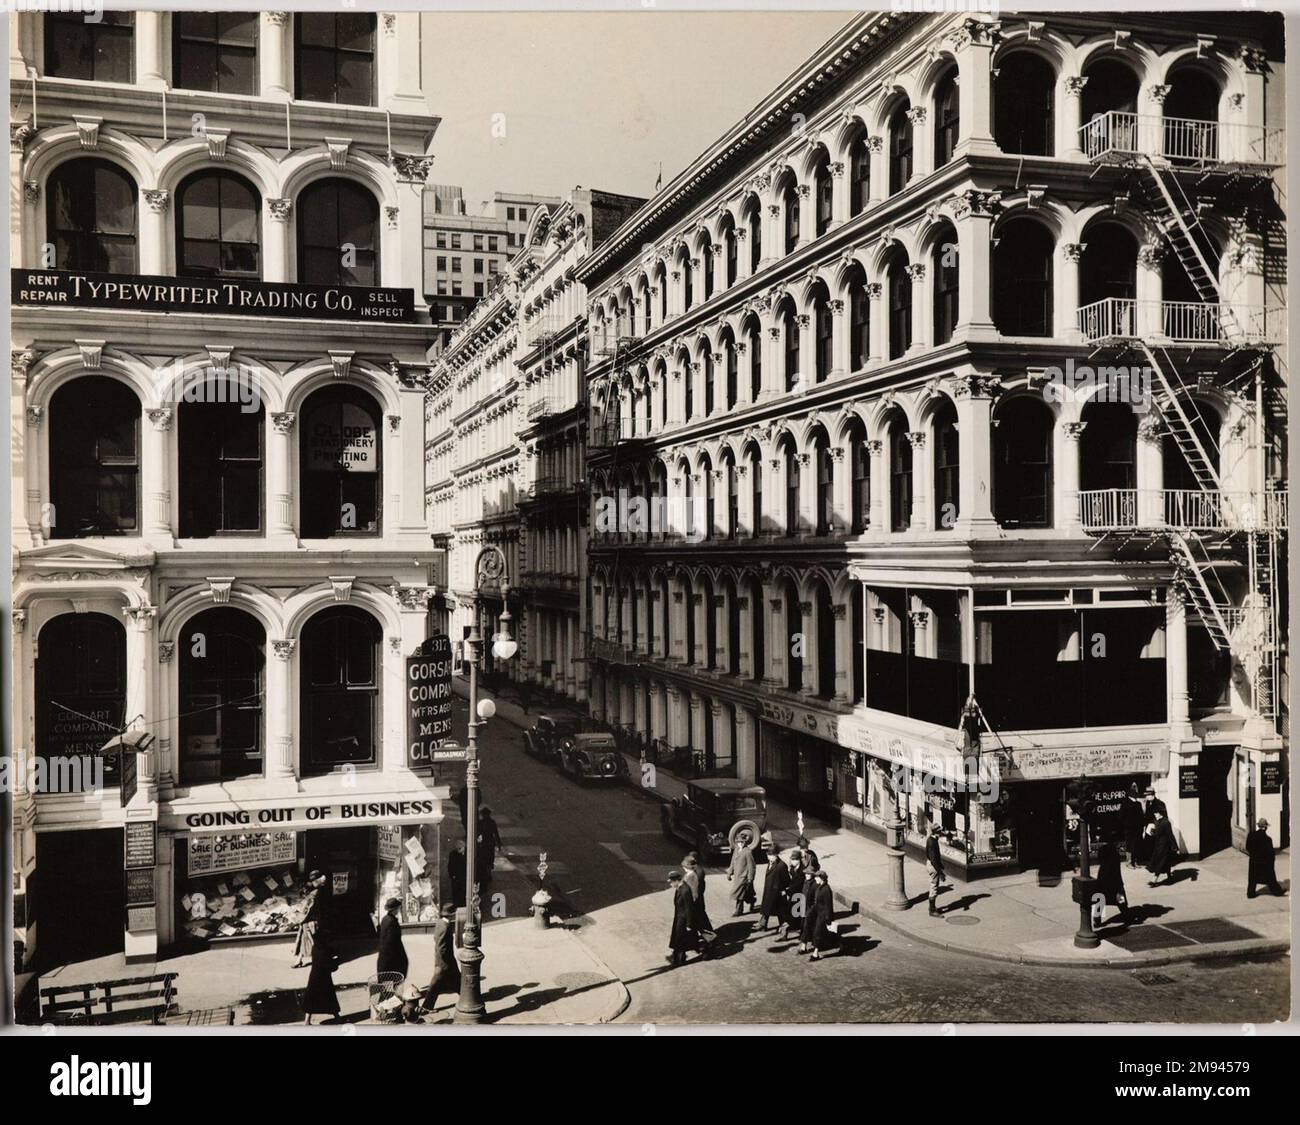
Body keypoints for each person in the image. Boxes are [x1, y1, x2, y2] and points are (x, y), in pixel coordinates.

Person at [421, 903, 462, 1018]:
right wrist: (444, 962)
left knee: (457, 979)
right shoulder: (446, 926)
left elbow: (436, 939)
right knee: (436, 984)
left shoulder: (440, 922)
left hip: (444, 960)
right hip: (445, 961)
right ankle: (426, 1007)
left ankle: (465, 997)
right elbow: (442, 947)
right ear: (452, 915)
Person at [302, 930, 341, 1025]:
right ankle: (337, 1017)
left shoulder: (315, 948)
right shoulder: (327, 950)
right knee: (329, 997)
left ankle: (307, 1020)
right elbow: (332, 966)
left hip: (314, 977)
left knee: (311, 998)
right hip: (325, 978)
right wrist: (336, 961)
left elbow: (314, 942)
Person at [293, 870, 327, 968]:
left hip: (311, 919)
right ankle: (300, 959)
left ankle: (316, 959)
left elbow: (308, 908)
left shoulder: (315, 893)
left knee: (310, 940)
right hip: (317, 918)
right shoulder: (323, 889)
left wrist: (300, 918)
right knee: (307, 939)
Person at [681, 855, 716, 950]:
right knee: (697, 924)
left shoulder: (692, 876)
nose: (683, 868)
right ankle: (695, 943)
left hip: (693, 905)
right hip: (693, 904)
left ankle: (710, 941)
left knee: (698, 924)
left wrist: (690, 904)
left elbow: (694, 893)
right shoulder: (690, 874)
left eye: (684, 867)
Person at [1246, 818, 1285, 898]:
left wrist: (1253, 855)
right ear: (1265, 827)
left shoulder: (1251, 835)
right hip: (1264, 862)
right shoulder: (1267, 839)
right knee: (1271, 878)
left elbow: (1247, 847)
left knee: (1252, 878)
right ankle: (1278, 892)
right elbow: (1270, 853)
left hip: (1254, 861)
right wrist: (1271, 862)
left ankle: (1250, 893)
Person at [756, 848, 790, 933]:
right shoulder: (770, 863)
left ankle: (783, 929)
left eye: (772, 855)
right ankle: (763, 925)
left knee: (779, 912)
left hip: (777, 893)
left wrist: (781, 889)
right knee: (767, 909)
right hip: (769, 891)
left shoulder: (782, 865)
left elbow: (786, 880)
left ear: (776, 855)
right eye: (769, 855)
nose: (770, 857)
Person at [666, 869, 696, 967]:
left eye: (671, 882)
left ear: (676, 880)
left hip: (683, 919)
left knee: (679, 939)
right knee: (679, 939)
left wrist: (689, 924)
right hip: (679, 917)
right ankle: (679, 958)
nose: (670, 884)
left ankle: (677, 960)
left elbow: (689, 908)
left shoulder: (685, 890)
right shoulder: (680, 888)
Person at [1095, 842, 1129, 926]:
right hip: (1115, 880)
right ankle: (1126, 914)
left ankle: (1097, 918)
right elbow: (1117, 870)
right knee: (1120, 898)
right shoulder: (1115, 854)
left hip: (1103, 878)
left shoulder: (1103, 850)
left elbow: (1100, 860)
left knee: (1100, 898)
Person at [376, 897, 408, 979]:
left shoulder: (385, 919)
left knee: (387, 974)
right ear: (395, 909)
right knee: (397, 970)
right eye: (398, 908)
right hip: (391, 952)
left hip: (384, 952)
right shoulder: (392, 921)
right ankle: (395, 989)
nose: (398, 910)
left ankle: (390, 988)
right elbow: (392, 939)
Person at [1145, 808, 1178, 887]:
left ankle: (1154, 879)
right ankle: (1169, 876)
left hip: (1165, 846)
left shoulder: (1166, 822)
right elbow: (1157, 832)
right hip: (1158, 845)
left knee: (1160, 862)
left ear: (1161, 813)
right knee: (1165, 862)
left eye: (1156, 813)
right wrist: (1152, 832)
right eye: (1154, 813)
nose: (1155, 814)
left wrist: (1175, 846)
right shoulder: (1156, 821)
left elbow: (1170, 835)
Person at [727, 833, 757, 917]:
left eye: (742, 842)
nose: (740, 844)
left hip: (744, 877)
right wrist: (729, 872)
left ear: (745, 842)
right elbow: (733, 862)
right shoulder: (736, 850)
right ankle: (752, 900)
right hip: (737, 876)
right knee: (745, 894)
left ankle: (738, 910)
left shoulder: (747, 852)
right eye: (738, 842)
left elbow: (752, 866)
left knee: (738, 894)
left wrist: (750, 878)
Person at [809, 870, 836, 960]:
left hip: (823, 916)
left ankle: (815, 953)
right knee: (826, 933)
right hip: (818, 914)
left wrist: (828, 919)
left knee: (818, 933)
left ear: (822, 878)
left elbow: (829, 905)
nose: (815, 878)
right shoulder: (820, 887)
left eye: (817, 877)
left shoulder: (826, 889)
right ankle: (840, 942)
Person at [477, 807, 503, 897]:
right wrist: (499, 844)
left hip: (484, 844)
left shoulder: (480, 823)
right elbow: (496, 834)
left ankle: (487, 873)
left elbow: (477, 833)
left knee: (485, 859)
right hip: (490, 844)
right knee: (489, 859)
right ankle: (488, 874)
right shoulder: (492, 822)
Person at [795, 857, 819, 953]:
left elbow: (815, 899)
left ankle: (803, 946)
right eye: (806, 874)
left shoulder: (815, 885)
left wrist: (811, 909)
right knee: (806, 927)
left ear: (812, 875)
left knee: (807, 926)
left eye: (808, 874)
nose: (806, 875)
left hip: (810, 910)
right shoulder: (805, 882)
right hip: (803, 908)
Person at [778, 849, 802, 939]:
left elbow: (798, 885)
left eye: (795, 859)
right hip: (793, 895)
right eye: (792, 859)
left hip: (799, 897)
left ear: (799, 860)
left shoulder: (802, 871)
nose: (793, 861)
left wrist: (787, 891)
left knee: (796, 917)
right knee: (790, 915)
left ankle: (800, 934)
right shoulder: (792, 868)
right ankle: (785, 933)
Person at [1122, 784, 1146, 869]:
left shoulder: (1138, 804)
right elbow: (1121, 816)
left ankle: (1135, 861)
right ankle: (1129, 862)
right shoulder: (1125, 803)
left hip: (1138, 829)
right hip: (1129, 829)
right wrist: (1126, 825)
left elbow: (1141, 816)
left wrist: (1143, 826)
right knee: (1130, 845)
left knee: (1136, 845)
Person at [925, 824, 947, 916]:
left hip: (931, 864)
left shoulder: (931, 839)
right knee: (934, 887)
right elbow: (934, 859)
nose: (941, 833)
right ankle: (932, 910)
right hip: (933, 866)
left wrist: (941, 865)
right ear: (937, 832)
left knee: (934, 886)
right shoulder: (932, 842)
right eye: (940, 831)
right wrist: (940, 872)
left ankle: (932, 908)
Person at [447, 840, 468, 909]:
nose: (458, 850)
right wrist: (452, 876)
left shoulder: (469, 853)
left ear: (464, 847)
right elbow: (450, 866)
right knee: (456, 892)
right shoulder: (453, 854)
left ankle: (464, 905)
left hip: (465, 877)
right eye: (457, 849)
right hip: (456, 877)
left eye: (460, 848)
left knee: (464, 892)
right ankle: (456, 905)